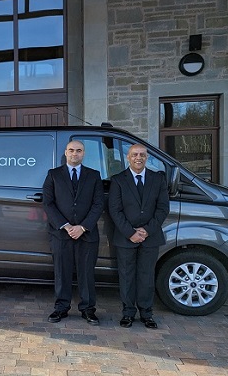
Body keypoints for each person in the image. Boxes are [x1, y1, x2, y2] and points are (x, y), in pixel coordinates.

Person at [108, 144, 169, 329]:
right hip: (125, 237)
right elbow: (115, 210)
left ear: (147, 157)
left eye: (142, 155)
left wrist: (147, 231)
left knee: (146, 276)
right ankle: (128, 313)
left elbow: (163, 208)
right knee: (126, 276)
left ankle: (146, 314)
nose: (138, 158)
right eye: (134, 154)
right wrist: (131, 233)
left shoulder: (157, 179)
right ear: (128, 157)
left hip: (150, 237)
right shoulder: (118, 180)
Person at [42, 140, 104, 324]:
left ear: (83, 154)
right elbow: (48, 203)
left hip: (87, 234)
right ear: (65, 152)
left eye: (78, 150)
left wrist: (82, 227)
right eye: (71, 150)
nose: (74, 153)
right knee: (62, 272)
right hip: (61, 234)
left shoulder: (94, 176)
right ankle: (61, 308)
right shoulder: (53, 175)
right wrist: (67, 226)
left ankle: (88, 310)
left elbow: (98, 203)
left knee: (87, 274)